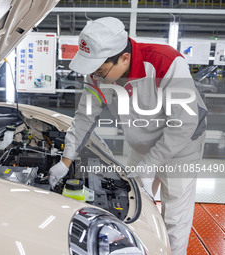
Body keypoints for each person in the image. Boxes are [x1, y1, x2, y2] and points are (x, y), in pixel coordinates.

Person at [49, 17, 207, 255]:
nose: (96, 77)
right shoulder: (98, 73)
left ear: (123, 58)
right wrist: (66, 160)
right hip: (142, 143)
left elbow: (183, 123)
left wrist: (148, 167)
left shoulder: (165, 62)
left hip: (182, 147)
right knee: (134, 204)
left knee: (174, 216)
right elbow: (84, 118)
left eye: (101, 72)